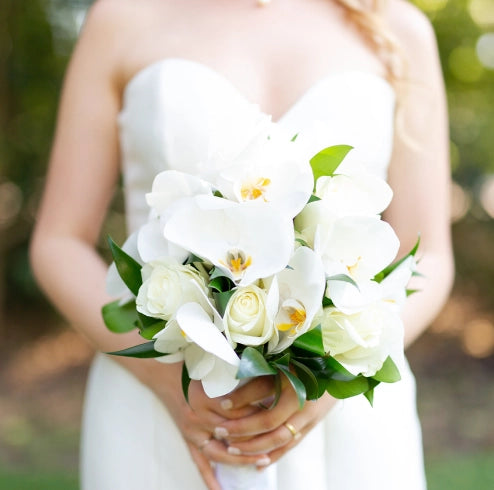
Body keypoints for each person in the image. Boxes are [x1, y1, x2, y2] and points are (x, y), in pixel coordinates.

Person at [30, 0, 454, 488]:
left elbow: (431, 258)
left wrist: (332, 384)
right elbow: (58, 242)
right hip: (160, 405)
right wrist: (166, 382)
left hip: (346, 419)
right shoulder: (123, 17)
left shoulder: (399, 28)